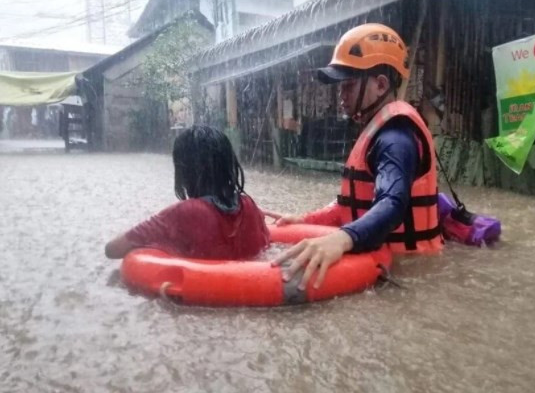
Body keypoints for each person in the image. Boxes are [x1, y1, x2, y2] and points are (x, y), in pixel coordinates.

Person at [271, 23, 442, 290]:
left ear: (381, 85)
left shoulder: (395, 139)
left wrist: (341, 239)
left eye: (348, 86)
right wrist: (305, 220)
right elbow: (352, 205)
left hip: (408, 273)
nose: (341, 96)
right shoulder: (377, 130)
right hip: (386, 262)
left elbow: (392, 203)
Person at [105, 125, 270, 260]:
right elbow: (266, 245)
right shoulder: (249, 206)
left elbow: (112, 249)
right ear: (229, 165)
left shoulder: (187, 212)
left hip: (203, 296)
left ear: (184, 171)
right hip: (250, 288)